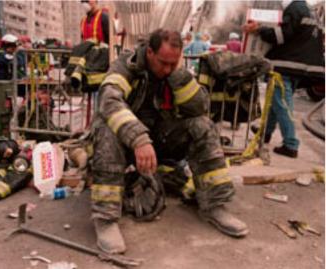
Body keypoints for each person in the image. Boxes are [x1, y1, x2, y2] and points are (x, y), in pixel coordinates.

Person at [91, 28, 248, 254]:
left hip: (161, 138)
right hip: (126, 143)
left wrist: (179, 77)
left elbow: (199, 108)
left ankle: (215, 205)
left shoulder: (175, 72)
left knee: (203, 125)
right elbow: (109, 102)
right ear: (150, 52)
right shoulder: (127, 66)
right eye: (163, 63)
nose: (167, 69)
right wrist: (138, 139)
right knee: (106, 129)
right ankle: (105, 219)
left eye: (173, 64)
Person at [243, 0, 324, 158]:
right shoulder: (309, 10)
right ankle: (265, 133)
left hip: (286, 65)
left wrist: (259, 28)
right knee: (276, 101)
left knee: (282, 103)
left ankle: (290, 144)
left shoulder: (294, 9)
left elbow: (280, 36)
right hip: (298, 65)